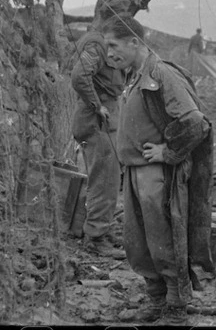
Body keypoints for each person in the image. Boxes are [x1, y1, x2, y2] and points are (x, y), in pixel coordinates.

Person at [102, 15, 214, 325]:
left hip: (156, 174)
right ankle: (156, 300)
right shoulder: (133, 76)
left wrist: (168, 151)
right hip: (135, 172)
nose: (109, 53)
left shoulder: (161, 74)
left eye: (113, 46)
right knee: (138, 242)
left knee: (163, 240)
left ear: (134, 43)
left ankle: (176, 307)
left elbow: (195, 123)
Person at [70, 27, 126, 260]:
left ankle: (101, 229)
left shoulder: (102, 45)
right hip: (96, 122)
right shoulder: (97, 45)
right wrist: (96, 105)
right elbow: (79, 77)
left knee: (107, 178)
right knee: (104, 179)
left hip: (102, 122)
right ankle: (95, 238)